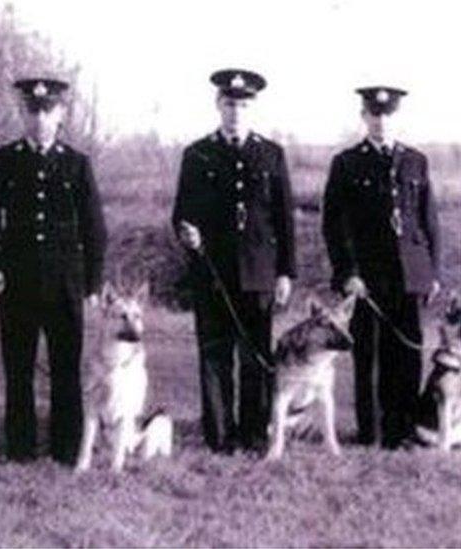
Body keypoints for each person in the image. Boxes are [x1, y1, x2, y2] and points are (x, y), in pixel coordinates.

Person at [0, 77, 107, 464]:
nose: (40, 118)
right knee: (18, 371)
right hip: (17, 284)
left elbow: (93, 228)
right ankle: (20, 448)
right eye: (33, 110)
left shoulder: (76, 164)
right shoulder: (3, 161)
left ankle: (66, 448)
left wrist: (94, 283)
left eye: (48, 111)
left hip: (66, 284)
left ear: (61, 115)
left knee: (66, 370)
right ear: (22, 113)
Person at [171, 68, 296, 454]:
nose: (236, 110)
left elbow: (284, 219)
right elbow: (181, 213)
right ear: (218, 105)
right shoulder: (198, 154)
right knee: (214, 358)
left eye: (243, 104)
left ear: (252, 107)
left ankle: (255, 434)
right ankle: (220, 437)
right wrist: (186, 231)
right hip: (212, 274)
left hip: (258, 274)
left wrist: (286, 273)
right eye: (229, 103)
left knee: (256, 359)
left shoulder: (271, 154)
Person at [322, 86, 441, 449]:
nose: (381, 120)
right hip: (367, 279)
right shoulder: (347, 163)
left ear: (396, 117)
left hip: (411, 274)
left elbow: (428, 219)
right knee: (369, 354)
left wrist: (433, 273)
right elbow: (334, 224)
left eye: (387, 114)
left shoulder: (415, 161)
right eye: (374, 114)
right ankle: (371, 431)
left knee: (406, 353)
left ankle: (401, 430)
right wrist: (348, 273)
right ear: (364, 117)